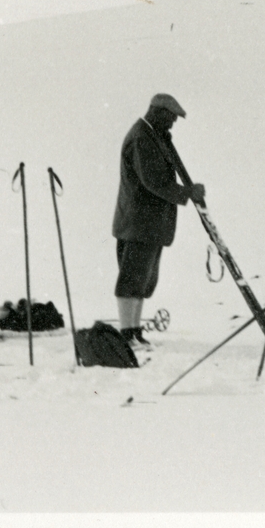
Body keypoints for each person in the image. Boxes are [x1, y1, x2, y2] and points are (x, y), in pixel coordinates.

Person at [112, 93, 205, 348]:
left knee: (142, 280)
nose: (173, 123)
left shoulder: (154, 136)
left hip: (147, 224)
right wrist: (187, 193)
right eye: (172, 118)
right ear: (158, 112)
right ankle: (127, 334)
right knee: (133, 279)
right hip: (139, 224)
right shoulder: (143, 138)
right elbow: (153, 181)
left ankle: (133, 331)